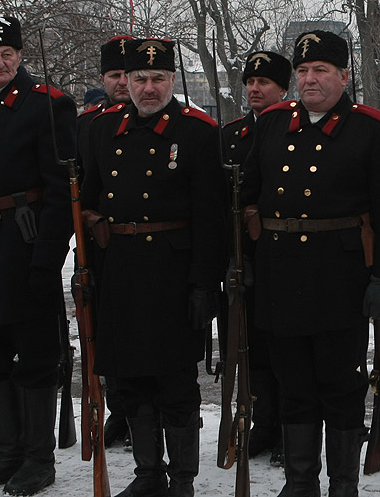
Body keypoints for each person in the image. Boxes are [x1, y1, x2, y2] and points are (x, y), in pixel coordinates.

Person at [241, 29, 380, 497]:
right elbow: (247, 196)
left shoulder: (372, 128)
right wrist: (248, 263)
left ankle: (342, 484)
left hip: (341, 279)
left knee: (339, 384)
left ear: (344, 76)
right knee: (292, 382)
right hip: (280, 273)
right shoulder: (272, 123)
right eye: (303, 71)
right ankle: (300, 483)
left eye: (321, 71)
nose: (309, 80)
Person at [80, 37, 226, 497]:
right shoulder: (102, 131)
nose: (146, 88)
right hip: (119, 270)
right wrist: (87, 263)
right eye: (138, 79)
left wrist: (205, 283)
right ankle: (149, 474)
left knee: (175, 381)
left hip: (173, 273)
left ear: (172, 80)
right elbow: (86, 199)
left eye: (157, 78)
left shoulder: (199, 133)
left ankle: (182, 478)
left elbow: (211, 218)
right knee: (130, 378)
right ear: (125, 81)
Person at [0, 16, 77, 495]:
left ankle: (38, 460)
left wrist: (47, 257)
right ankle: (8, 454)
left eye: (6, 54)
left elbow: (62, 192)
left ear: (19, 55)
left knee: (37, 353)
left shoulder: (49, 106)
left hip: (26, 242)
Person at [220, 48, 291, 464]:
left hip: (280, 256)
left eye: (264, 82)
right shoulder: (231, 135)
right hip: (242, 257)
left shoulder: (294, 130)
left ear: (284, 89)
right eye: (250, 82)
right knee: (251, 348)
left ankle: (287, 429)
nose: (255, 89)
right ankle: (263, 423)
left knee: (283, 347)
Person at [76, 34, 135, 448]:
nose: (120, 82)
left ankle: (142, 416)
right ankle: (118, 410)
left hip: (145, 246)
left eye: (126, 75)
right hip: (99, 246)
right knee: (106, 331)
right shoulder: (88, 125)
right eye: (113, 75)